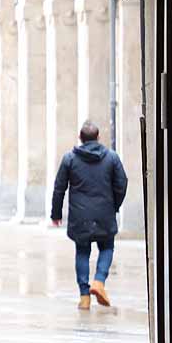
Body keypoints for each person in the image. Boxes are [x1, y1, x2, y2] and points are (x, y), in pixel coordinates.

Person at [51, 121, 129, 310]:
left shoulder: (70, 158)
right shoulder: (111, 158)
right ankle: (99, 281)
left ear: (80, 138)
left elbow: (59, 187)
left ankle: (84, 296)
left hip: (80, 216)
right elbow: (122, 183)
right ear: (98, 137)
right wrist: (114, 205)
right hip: (105, 212)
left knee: (82, 252)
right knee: (107, 247)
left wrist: (56, 213)